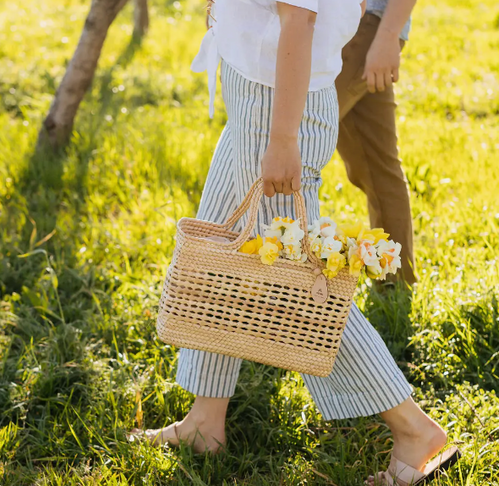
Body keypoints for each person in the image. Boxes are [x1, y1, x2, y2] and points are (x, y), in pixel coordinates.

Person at [130, 1, 460, 483]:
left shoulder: (283, 118)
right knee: (223, 250)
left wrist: (283, 137)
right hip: (258, 96)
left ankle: (414, 428)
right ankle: (205, 420)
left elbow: (300, 19)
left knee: (303, 290)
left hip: (279, 108)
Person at [336, 0, 417, 285]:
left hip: (365, 26)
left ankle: (257, 273)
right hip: (358, 25)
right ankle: (396, 287)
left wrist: (388, 35)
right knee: (375, 164)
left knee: (294, 140)